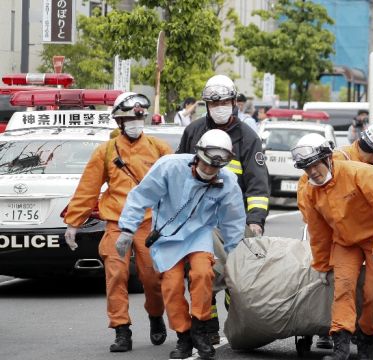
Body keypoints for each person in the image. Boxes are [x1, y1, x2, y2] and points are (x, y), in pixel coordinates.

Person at [117, 129, 246, 360]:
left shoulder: (227, 181)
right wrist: (127, 229)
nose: (209, 170)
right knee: (172, 285)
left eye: (216, 167)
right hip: (166, 235)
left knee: (203, 273)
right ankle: (184, 336)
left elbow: (233, 220)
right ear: (197, 155)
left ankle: (200, 329)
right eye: (206, 164)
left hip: (199, 233)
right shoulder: (169, 167)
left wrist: (234, 253)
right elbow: (140, 196)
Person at [63, 92, 173, 352]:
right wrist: (73, 223)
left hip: (149, 223)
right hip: (116, 223)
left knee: (153, 279)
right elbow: (88, 188)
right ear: (119, 122)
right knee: (116, 276)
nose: (135, 122)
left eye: (139, 117)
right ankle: (121, 329)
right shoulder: (105, 151)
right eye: (128, 118)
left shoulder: (160, 149)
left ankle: (156, 315)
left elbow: (175, 186)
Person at [293, 133, 373, 360]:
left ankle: (369, 339)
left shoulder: (360, 173)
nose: (313, 172)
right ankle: (340, 347)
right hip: (345, 242)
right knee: (342, 289)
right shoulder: (311, 191)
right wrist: (322, 265)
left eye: (315, 165)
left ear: (327, 159)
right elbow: (319, 233)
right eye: (307, 168)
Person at [177, 74, 270, 343]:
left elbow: (257, 184)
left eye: (225, 101)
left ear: (234, 102)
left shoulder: (248, 137)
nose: (220, 106)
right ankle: (207, 326)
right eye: (213, 102)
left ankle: (233, 304)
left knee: (234, 274)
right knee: (200, 273)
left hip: (233, 220)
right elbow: (179, 172)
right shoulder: (193, 131)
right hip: (198, 218)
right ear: (206, 105)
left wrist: (255, 220)